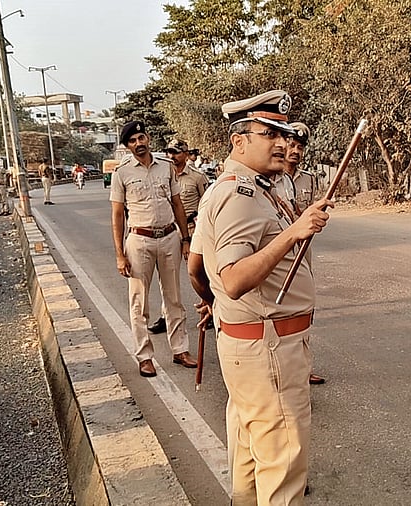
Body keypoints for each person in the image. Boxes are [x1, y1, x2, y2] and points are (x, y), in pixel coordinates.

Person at [190, 90, 332, 504]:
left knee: (252, 456)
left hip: (249, 338)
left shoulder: (240, 187)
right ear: (239, 140)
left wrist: (217, 304)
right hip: (269, 344)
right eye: (269, 133)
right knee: (282, 464)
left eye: (285, 134)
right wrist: (294, 231)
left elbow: (197, 267)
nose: (283, 143)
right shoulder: (241, 195)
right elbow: (232, 278)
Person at [109, 120, 197, 378]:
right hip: (139, 241)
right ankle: (144, 356)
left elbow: (177, 204)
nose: (139, 143)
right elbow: (117, 215)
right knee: (139, 302)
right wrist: (119, 254)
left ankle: (180, 350)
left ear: (148, 138)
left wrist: (185, 238)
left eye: (141, 138)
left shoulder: (166, 167)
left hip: (169, 237)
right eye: (132, 141)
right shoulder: (122, 173)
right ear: (127, 147)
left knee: (174, 298)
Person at [272, 121, 326, 385]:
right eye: (291, 144)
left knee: (305, 305)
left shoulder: (309, 179)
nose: (294, 150)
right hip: (277, 249)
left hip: (303, 250)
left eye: (299, 146)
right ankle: (282, 366)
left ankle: (304, 366)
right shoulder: (270, 177)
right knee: (279, 305)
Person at [147, 139, 210, 335]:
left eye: (176, 152)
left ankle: (209, 308)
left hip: (193, 229)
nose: (172, 156)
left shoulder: (197, 177)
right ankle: (167, 316)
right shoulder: (162, 175)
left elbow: (208, 204)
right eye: (169, 153)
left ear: (185, 153)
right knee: (167, 277)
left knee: (201, 272)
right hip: (169, 229)